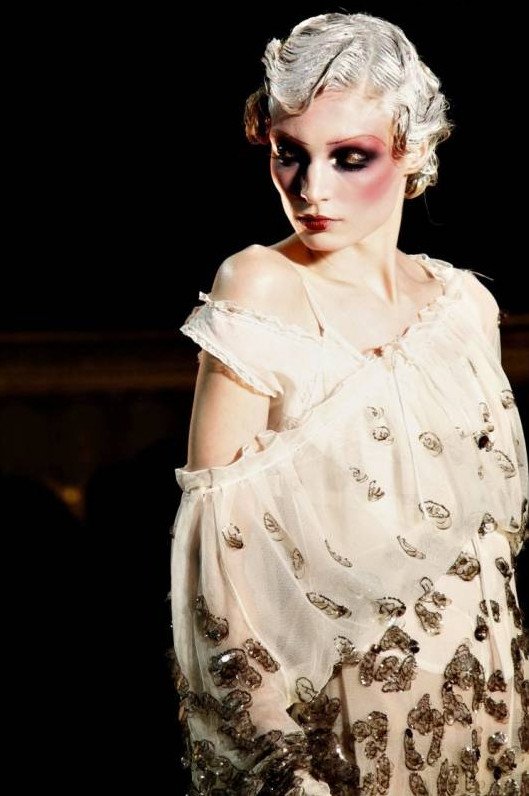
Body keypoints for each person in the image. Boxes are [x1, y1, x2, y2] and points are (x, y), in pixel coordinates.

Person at [169, 11, 529, 794]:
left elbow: (486, 555)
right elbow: (215, 570)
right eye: (288, 155)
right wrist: (280, 765)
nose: (311, 189)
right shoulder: (258, 287)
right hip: (337, 717)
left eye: (349, 157)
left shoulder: (463, 307)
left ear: (413, 150)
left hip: (480, 706)